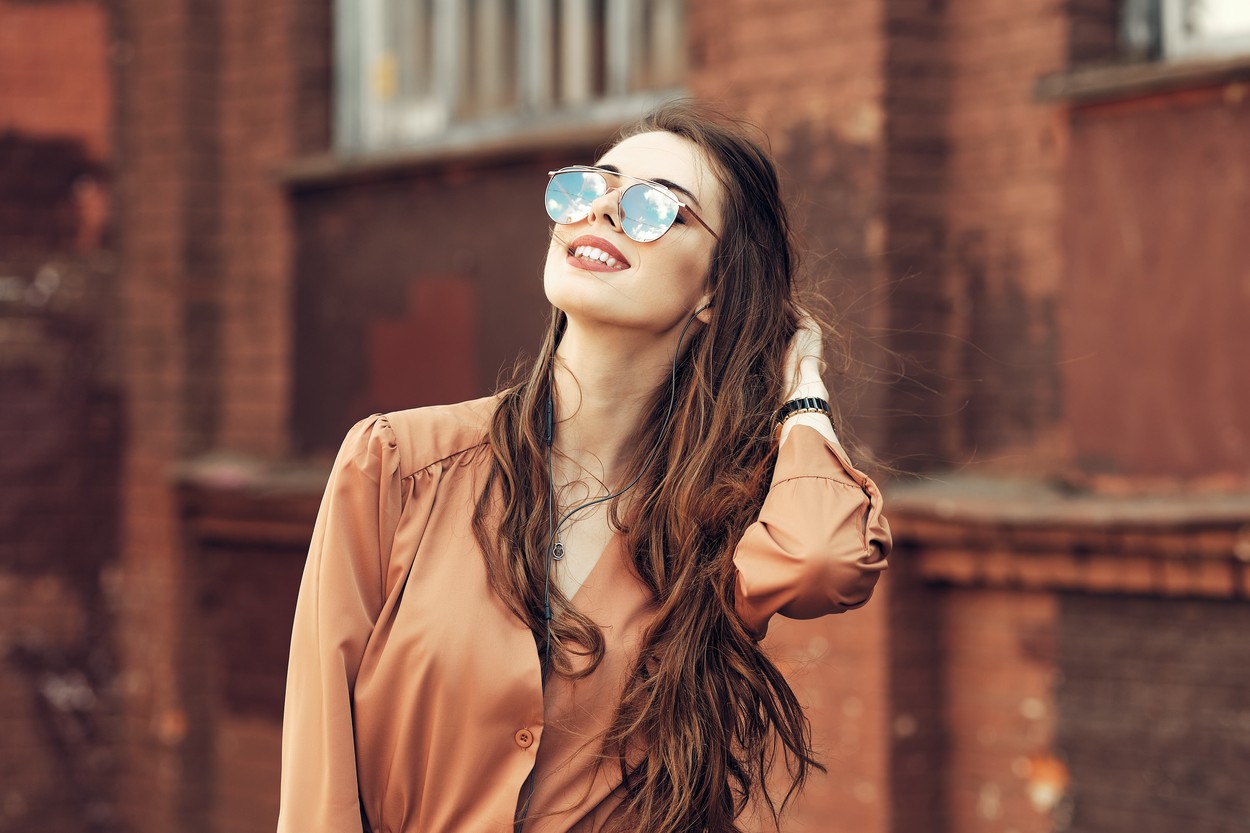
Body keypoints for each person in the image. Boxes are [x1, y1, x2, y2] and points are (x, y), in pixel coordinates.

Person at [277, 102, 891, 833]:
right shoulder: (396, 467)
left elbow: (825, 560)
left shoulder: (718, 522)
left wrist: (804, 393)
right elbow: (319, 792)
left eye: (654, 206)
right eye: (591, 187)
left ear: (714, 291)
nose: (601, 212)